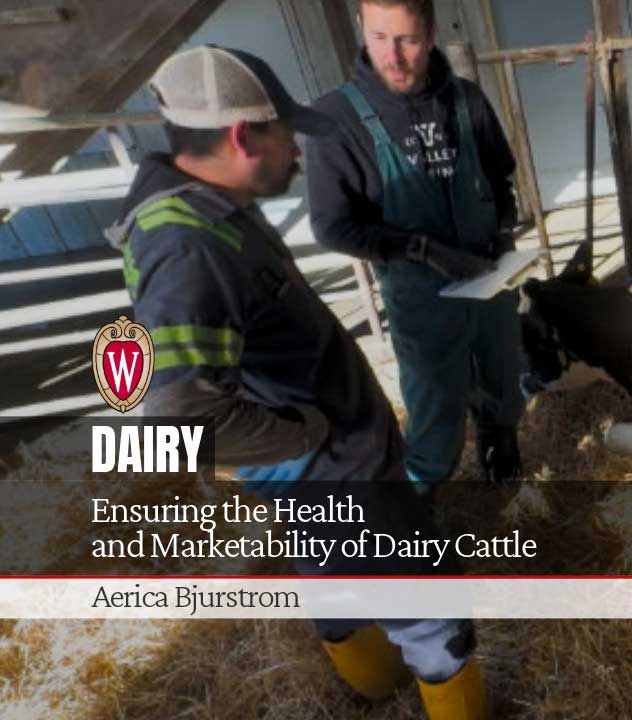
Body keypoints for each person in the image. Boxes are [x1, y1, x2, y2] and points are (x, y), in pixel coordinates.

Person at [106, 45, 490, 719]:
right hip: (336, 471)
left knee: (335, 583)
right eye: (285, 133)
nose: (299, 150)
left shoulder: (200, 208)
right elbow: (176, 422)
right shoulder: (189, 250)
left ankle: (376, 692)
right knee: (433, 615)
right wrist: (307, 433)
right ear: (241, 135)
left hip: (309, 478)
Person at [305, 0, 525, 493]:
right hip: (422, 297)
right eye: (379, 38)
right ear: (362, 27)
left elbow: (500, 172)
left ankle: (501, 455)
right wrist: (423, 250)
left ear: (429, 34)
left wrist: (504, 229)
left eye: (407, 40)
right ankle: (419, 509)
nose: (394, 57)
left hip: (488, 279)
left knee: (503, 379)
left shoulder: (465, 99)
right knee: (434, 408)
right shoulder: (335, 119)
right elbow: (332, 226)